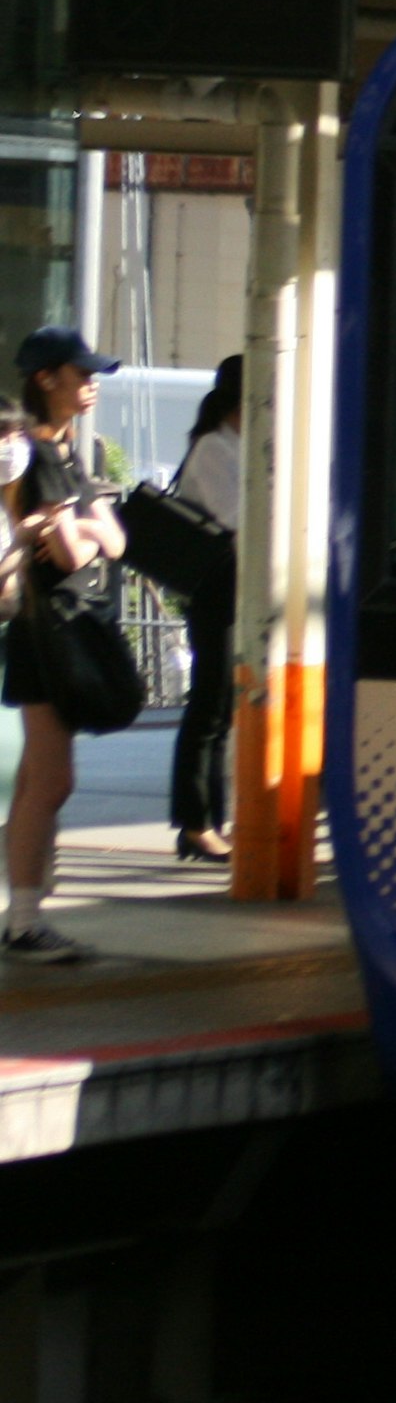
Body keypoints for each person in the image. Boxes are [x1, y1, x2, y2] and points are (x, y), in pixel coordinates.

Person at [3, 330, 125, 964]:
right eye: (81, 373)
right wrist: (93, 520)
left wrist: (90, 524)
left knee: (37, 781)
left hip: (46, 630)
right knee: (50, 781)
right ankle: (24, 921)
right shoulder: (43, 456)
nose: (91, 382)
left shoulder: (69, 452)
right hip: (46, 632)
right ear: (46, 378)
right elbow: (81, 548)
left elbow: (115, 540)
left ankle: (26, 911)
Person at [169, 358, 241, 863]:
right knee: (209, 708)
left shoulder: (231, 444)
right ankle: (196, 823)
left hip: (234, 591)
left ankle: (210, 819)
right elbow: (237, 518)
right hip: (216, 591)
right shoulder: (215, 447)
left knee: (221, 709)